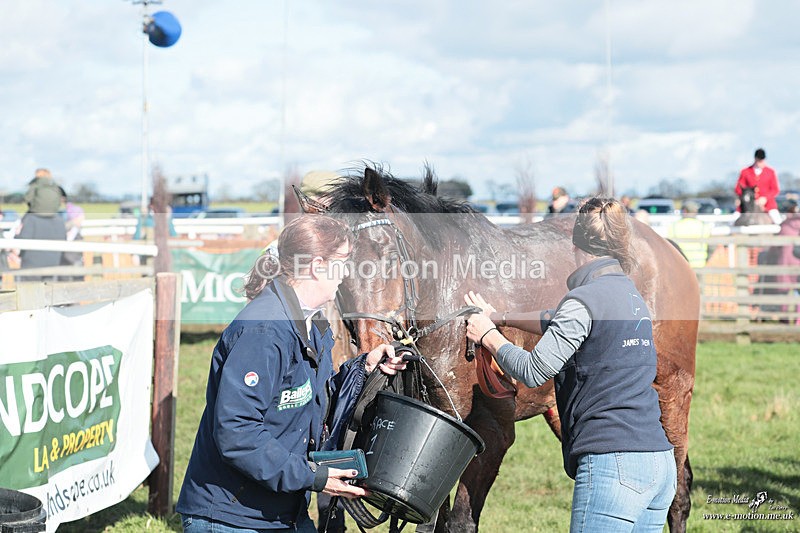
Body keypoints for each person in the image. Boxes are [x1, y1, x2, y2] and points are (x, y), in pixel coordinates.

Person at [176, 214, 407, 532]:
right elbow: (237, 432)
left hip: (280, 508)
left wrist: (364, 368)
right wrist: (315, 476)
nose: (346, 274)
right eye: (341, 263)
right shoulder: (266, 330)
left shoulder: (313, 323)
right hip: (232, 516)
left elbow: (312, 395)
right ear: (316, 266)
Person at [464, 197, 676, 532]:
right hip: (658, 463)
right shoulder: (629, 295)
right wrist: (500, 316)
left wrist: (488, 334)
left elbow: (535, 371)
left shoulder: (584, 300)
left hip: (612, 464)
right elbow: (560, 321)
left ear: (576, 247)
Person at [14, 168, 67, 281]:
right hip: (53, 263)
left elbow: (21, 240)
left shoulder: (30, 219)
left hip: (31, 265)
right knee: (49, 294)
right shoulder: (59, 220)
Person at [735, 148, 781, 225]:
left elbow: (775, 190)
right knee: (734, 219)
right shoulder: (745, 171)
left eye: (762, 161)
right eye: (759, 161)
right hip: (748, 205)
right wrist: (741, 198)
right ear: (755, 159)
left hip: (767, 204)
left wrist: (765, 198)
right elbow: (738, 188)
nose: (761, 163)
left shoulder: (770, 172)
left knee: (777, 220)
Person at [665, 200, 712, 268]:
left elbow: (669, 247)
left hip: (681, 265)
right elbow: (711, 246)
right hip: (699, 264)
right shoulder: (703, 226)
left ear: (684, 211)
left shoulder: (674, 226)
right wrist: (706, 259)